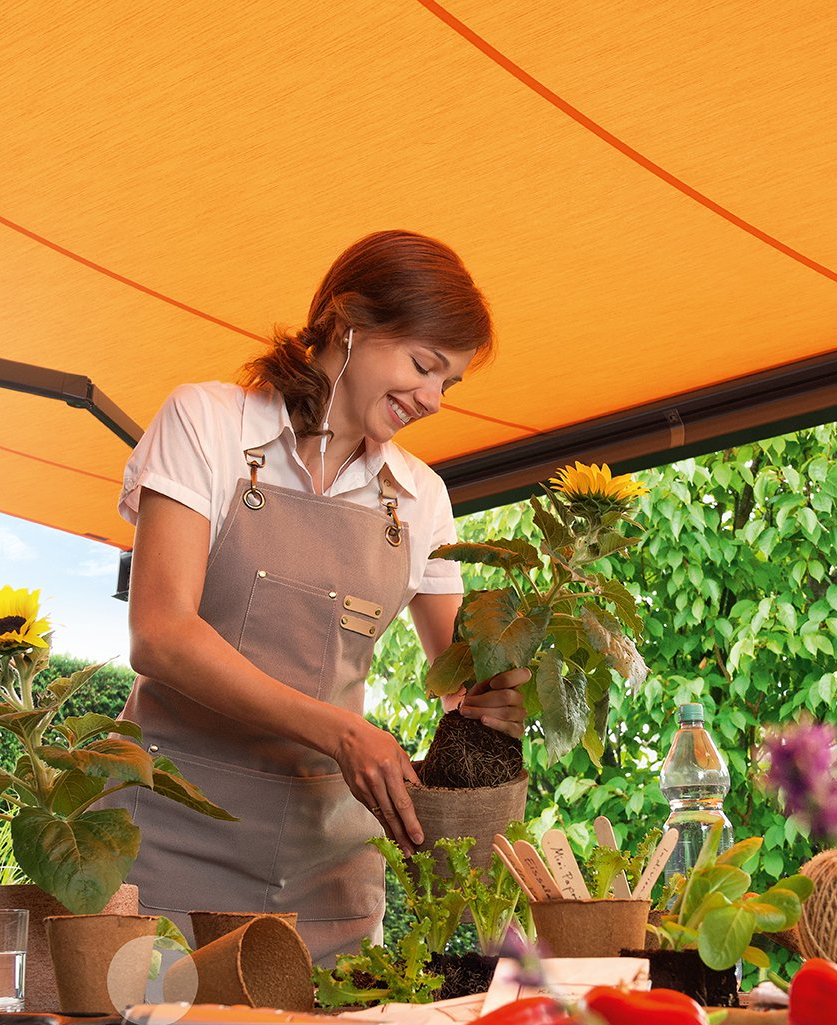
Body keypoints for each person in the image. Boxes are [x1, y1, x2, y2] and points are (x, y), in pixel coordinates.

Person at [112, 231, 528, 963]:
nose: (432, 398)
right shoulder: (206, 424)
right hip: (166, 846)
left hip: (329, 877)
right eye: (423, 365)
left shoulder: (420, 497)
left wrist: (506, 691)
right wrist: (340, 732)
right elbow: (161, 632)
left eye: (448, 383)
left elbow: (464, 681)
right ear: (348, 322)